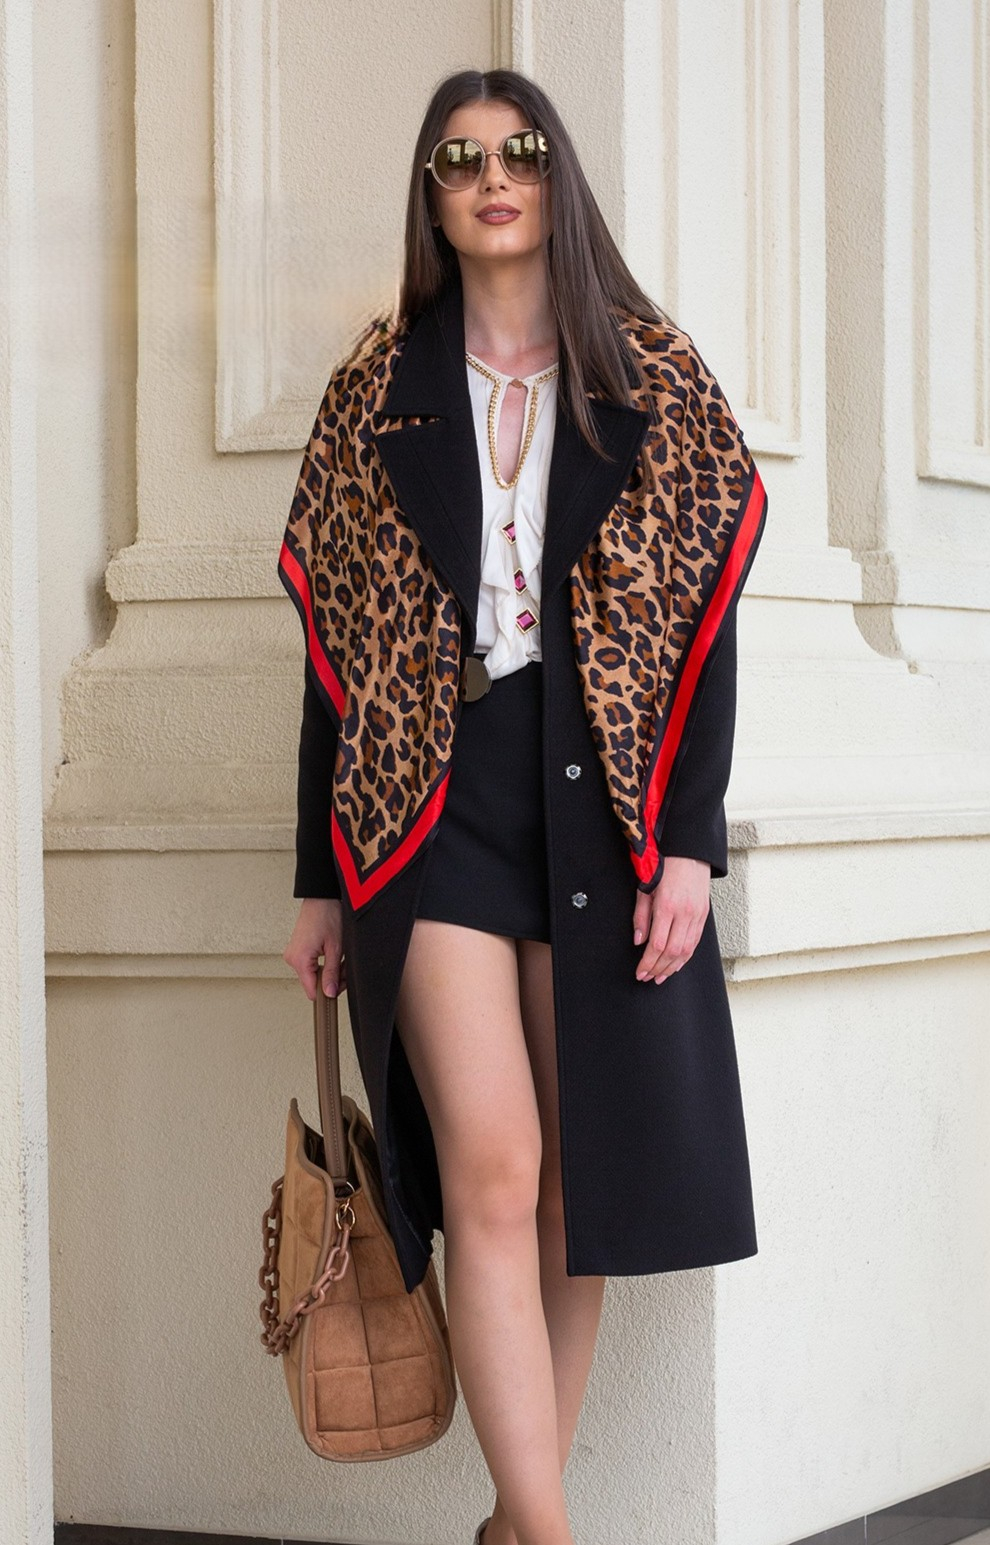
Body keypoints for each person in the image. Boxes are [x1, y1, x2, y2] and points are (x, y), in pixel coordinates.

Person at [281, 66, 768, 1545]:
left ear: (556, 180)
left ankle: (517, 1523)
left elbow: (703, 628)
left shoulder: (649, 374)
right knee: (490, 1164)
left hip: (598, 800)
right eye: (459, 158)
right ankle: (550, 1539)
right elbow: (335, 658)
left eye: (519, 152)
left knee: (576, 1183)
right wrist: (316, 874)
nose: (492, 178)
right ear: (431, 197)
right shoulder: (378, 389)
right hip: (428, 800)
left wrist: (690, 842)